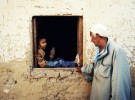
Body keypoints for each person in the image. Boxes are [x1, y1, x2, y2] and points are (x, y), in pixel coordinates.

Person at [78, 24, 132, 100]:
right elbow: (95, 67)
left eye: (91, 36)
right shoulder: (99, 51)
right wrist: (82, 69)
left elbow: (120, 85)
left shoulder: (117, 52)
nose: (91, 40)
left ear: (98, 36)